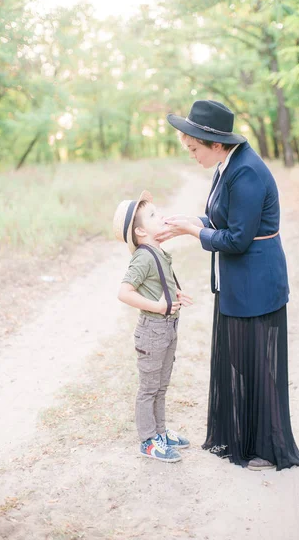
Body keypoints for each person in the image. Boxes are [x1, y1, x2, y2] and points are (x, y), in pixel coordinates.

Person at [155, 99, 299, 471]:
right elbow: (224, 216)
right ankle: (249, 439)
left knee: (257, 363)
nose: (191, 155)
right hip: (239, 282)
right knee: (241, 361)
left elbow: (237, 239)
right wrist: (188, 222)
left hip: (257, 282)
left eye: (193, 149)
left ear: (215, 144)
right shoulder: (228, 165)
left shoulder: (247, 171)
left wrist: (194, 231)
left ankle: (268, 448)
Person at [113, 190, 193, 463]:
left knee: (161, 386)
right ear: (140, 231)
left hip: (168, 328)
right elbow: (124, 292)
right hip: (152, 330)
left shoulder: (158, 251)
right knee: (149, 389)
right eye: (153, 215)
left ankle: (160, 431)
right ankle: (148, 440)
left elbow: (160, 285)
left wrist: (175, 296)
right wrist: (159, 306)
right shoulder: (143, 256)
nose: (160, 216)